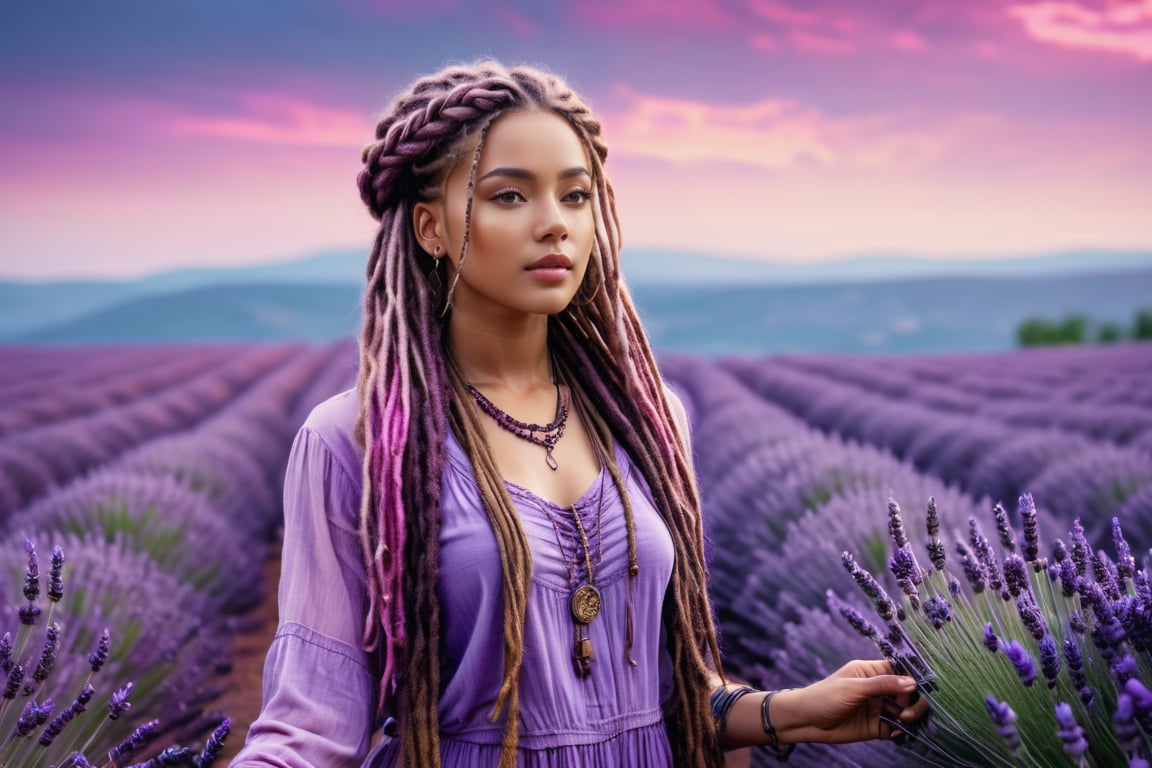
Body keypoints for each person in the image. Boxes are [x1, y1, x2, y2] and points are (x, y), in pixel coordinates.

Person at [229, 60, 926, 768]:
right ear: (431, 228)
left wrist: (791, 711)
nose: (554, 224)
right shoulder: (361, 442)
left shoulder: (650, 423)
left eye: (576, 195)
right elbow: (310, 727)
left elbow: (664, 694)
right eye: (509, 196)